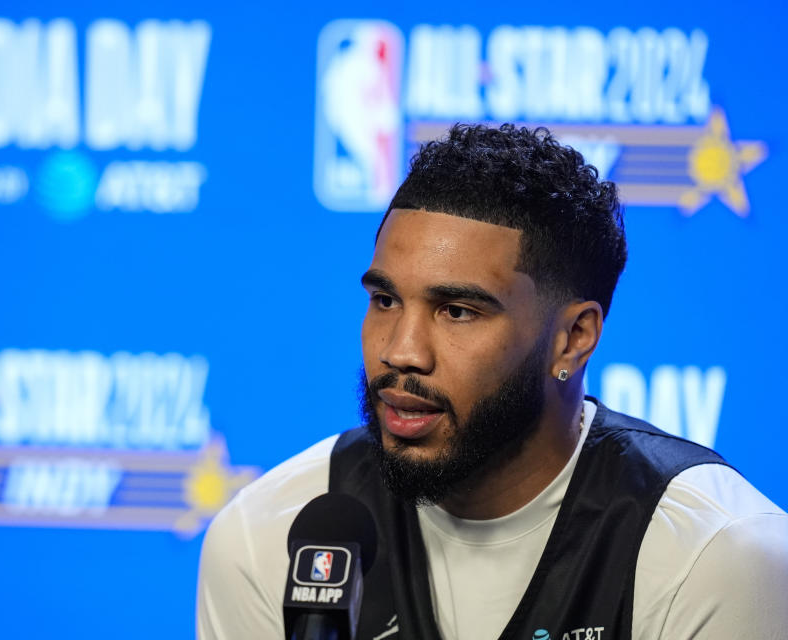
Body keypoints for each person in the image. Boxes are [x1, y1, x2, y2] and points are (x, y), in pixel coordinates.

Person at [196, 124, 788, 640]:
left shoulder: (715, 555)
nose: (402, 352)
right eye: (384, 300)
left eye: (457, 311)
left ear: (573, 338)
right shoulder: (268, 536)